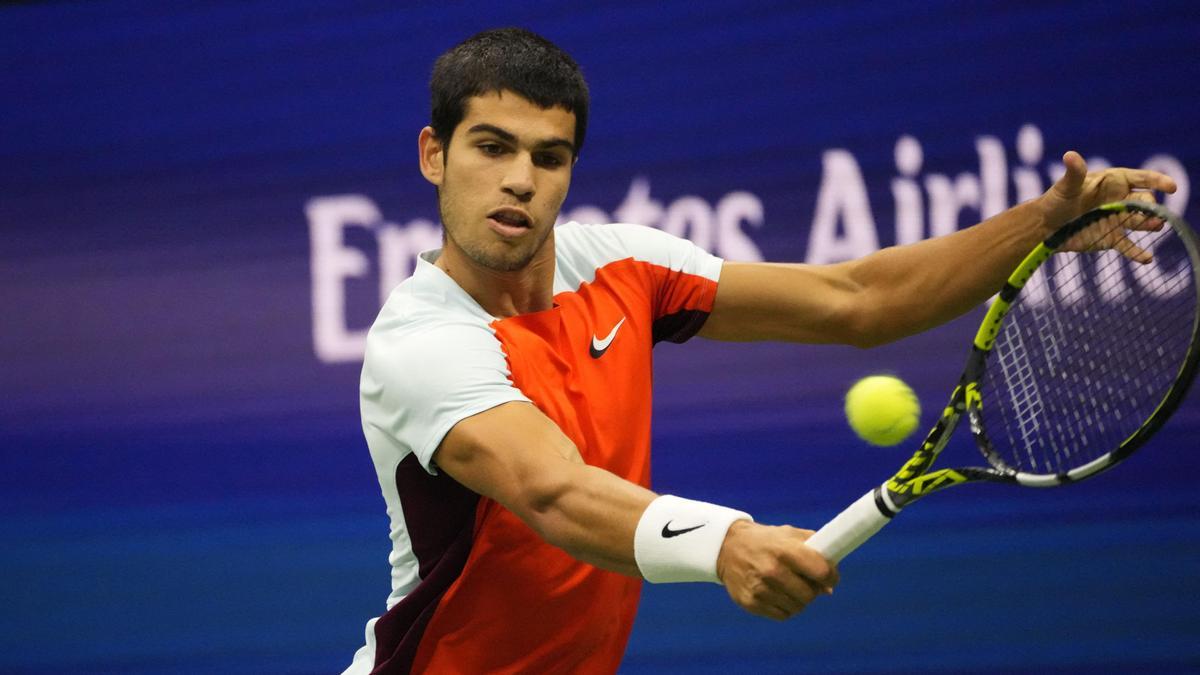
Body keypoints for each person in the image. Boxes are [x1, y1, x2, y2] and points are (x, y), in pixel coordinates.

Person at [343, 27, 1176, 675]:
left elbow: (858, 300)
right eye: (492, 147)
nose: (520, 179)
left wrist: (1042, 222)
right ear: (434, 155)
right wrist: (726, 540)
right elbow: (552, 490)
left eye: (548, 157)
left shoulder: (624, 267)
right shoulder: (422, 342)